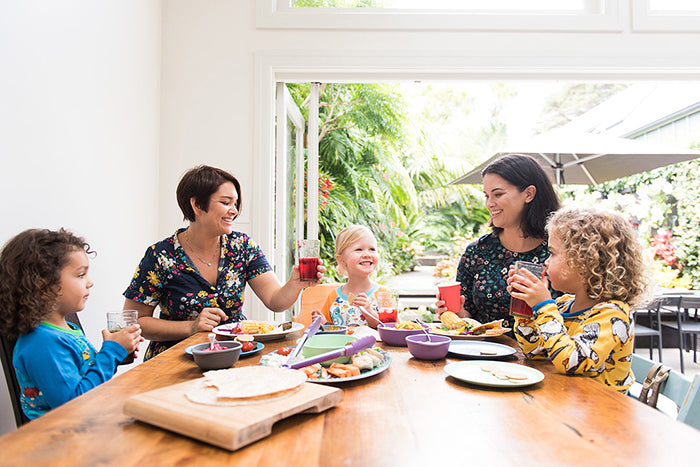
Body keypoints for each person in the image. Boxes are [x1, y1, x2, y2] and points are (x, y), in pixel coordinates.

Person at [123, 165, 324, 360]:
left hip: (237, 353)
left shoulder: (242, 247)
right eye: (226, 202)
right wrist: (191, 327)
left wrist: (295, 284)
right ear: (197, 205)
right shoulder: (160, 256)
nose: (234, 211)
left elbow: (275, 301)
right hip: (175, 360)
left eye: (235, 204)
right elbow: (135, 321)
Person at [0, 228, 142, 420]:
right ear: (44, 284)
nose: (90, 282)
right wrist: (111, 352)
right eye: (81, 275)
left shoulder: (65, 330)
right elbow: (74, 404)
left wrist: (117, 354)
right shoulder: (41, 343)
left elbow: (84, 378)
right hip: (61, 438)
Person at [507, 207, 648, 393]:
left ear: (586, 261)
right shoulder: (565, 304)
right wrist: (526, 308)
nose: (546, 262)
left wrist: (543, 307)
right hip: (569, 401)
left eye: (553, 253)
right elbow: (534, 352)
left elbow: (572, 362)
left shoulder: (613, 313)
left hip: (604, 413)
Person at [437, 153, 561, 329]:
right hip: (484, 353)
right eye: (487, 196)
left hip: (548, 355)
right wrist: (457, 314)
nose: (489, 203)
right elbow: (469, 322)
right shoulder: (477, 253)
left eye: (498, 194)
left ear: (529, 194)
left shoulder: (559, 251)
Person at [311, 225, 391, 329]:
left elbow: (391, 329)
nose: (367, 254)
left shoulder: (384, 295)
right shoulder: (333, 297)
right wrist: (322, 323)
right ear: (341, 260)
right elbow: (329, 331)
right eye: (359, 249)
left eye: (372, 249)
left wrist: (369, 313)